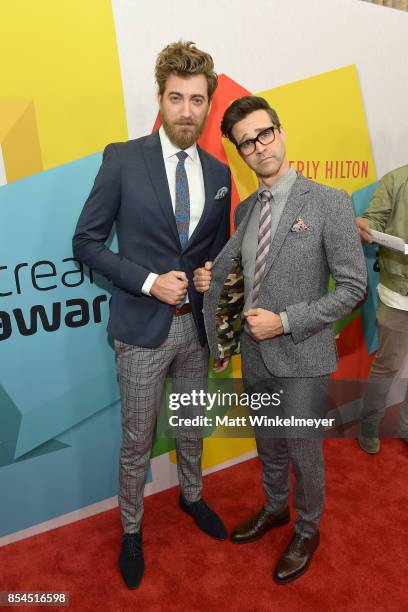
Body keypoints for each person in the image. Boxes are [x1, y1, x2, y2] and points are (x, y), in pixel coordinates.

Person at [72, 41, 231, 589]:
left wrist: (210, 274)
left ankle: (192, 496)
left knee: (190, 424)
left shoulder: (218, 172)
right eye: (176, 98)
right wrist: (147, 281)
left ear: (209, 105)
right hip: (141, 330)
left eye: (197, 101)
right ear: (160, 99)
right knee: (138, 437)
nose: (187, 111)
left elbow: (219, 250)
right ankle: (132, 528)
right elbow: (87, 242)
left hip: (197, 330)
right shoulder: (122, 158)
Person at [194, 96, 366, 584]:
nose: (259, 147)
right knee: (268, 442)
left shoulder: (330, 201)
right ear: (240, 153)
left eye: (264, 133)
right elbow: (247, 276)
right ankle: (275, 509)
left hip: (302, 354)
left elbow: (354, 288)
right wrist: (215, 281)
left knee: (303, 449)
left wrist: (286, 321)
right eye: (246, 143)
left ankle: (308, 529)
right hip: (254, 352)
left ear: (281, 130)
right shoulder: (248, 209)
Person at [357, 165, 408, 454]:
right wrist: (365, 226)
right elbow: (372, 220)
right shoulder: (396, 180)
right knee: (387, 366)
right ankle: (369, 424)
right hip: (398, 294)